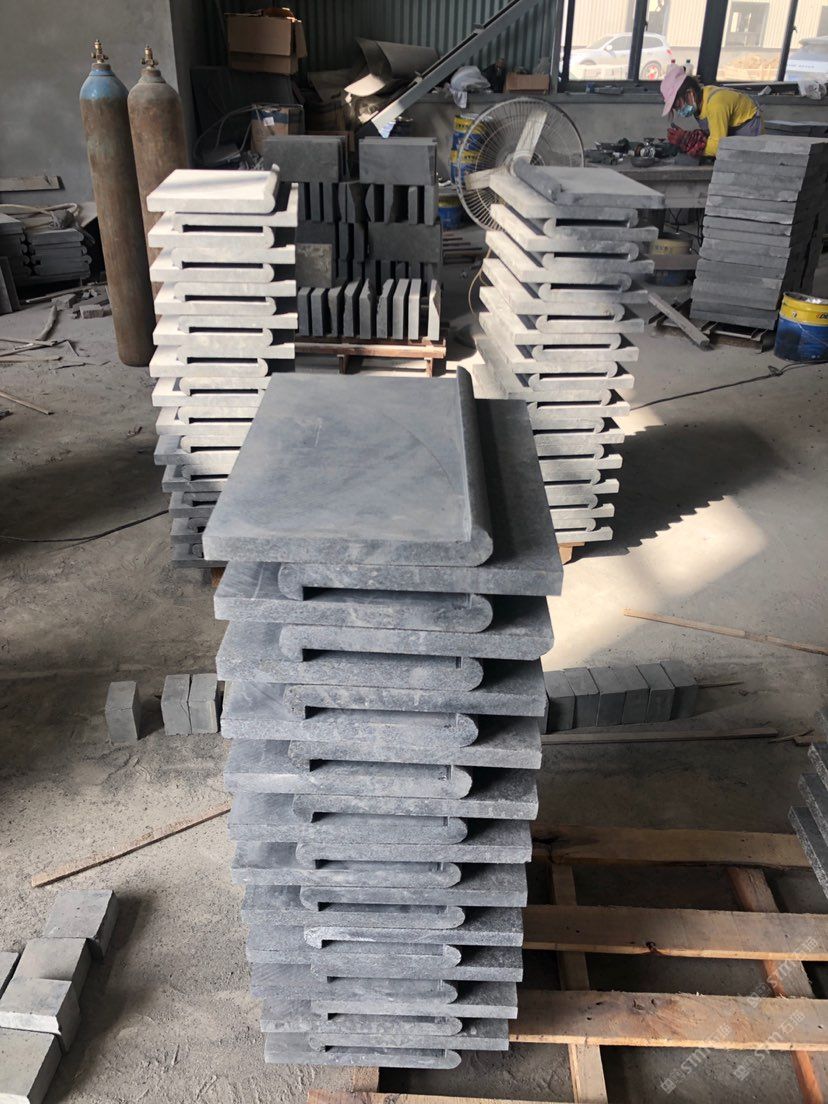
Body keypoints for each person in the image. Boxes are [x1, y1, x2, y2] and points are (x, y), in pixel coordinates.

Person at [659, 63, 763, 158]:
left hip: (749, 133)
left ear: (690, 93)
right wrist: (688, 139)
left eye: (678, 105)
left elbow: (719, 147)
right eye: (676, 108)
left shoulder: (716, 104)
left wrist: (687, 143)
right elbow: (713, 134)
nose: (679, 110)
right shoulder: (699, 103)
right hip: (733, 134)